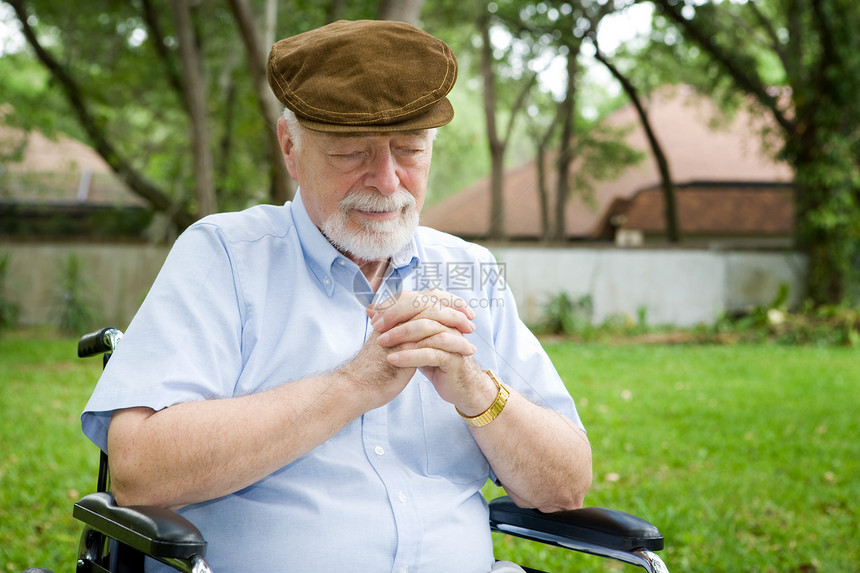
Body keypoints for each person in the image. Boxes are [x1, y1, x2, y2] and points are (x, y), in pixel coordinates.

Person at [82, 19, 592, 573]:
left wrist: (474, 389)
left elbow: (565, 485)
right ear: (290, 149)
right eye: (351, 153)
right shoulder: (225, 256)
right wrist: (354, 385)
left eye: (409, 150)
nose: (387, 180)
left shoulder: (469, 269)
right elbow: (140, 472)